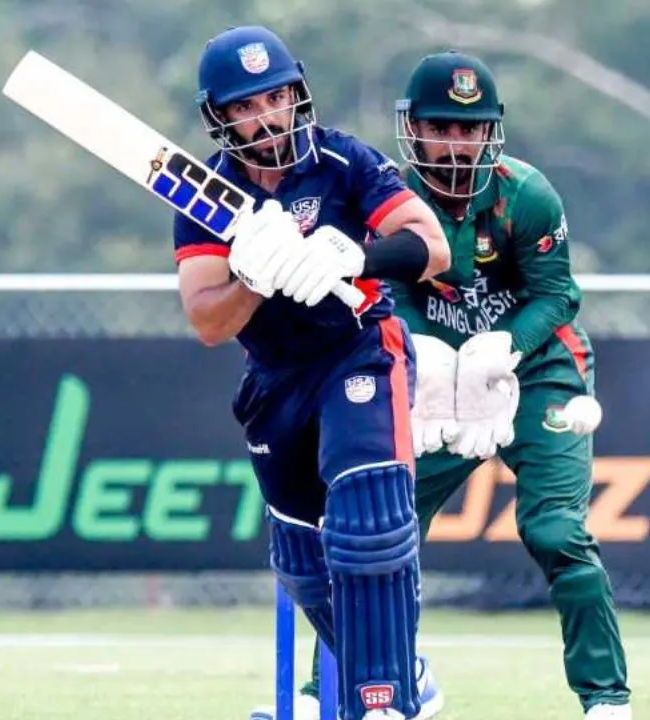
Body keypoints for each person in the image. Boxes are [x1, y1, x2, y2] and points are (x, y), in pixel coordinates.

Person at [287, 51, 634, 720]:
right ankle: (336, 687)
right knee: (376, 531)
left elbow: (558, 296)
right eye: (440, 127)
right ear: (412, 130)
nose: (456, 144)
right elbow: (386, 294)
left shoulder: (526, 196)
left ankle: (606, 702)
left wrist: (506, 346)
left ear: (490, 132)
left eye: (469, 129)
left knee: (556, 531)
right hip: (436, 381)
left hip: (536, 372)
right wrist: (425, 358)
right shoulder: (386, 202)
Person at [173, 26, 456, 720]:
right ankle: (404, 674)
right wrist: (252, 277)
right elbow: (207, 320)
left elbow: (433, 246)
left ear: (298, 93)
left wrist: (354, 256)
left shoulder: (342, 161)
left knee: (368, 522)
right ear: (220, 118)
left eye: (277, 97)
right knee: (304, 565)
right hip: (275, 376)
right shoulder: (206, 194)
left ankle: (383, 701)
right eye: (247, 106)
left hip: (358, 348)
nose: (267, 117)